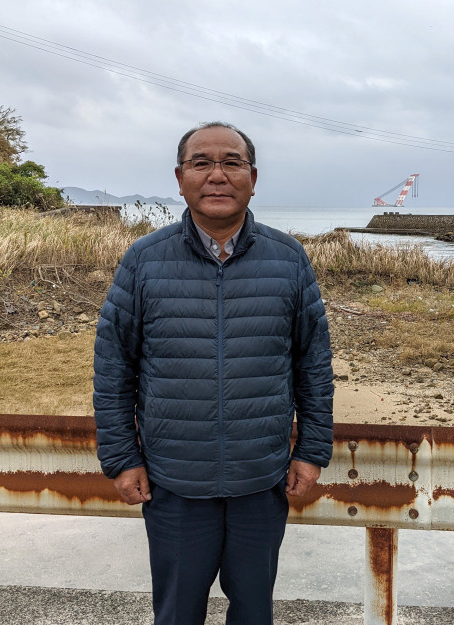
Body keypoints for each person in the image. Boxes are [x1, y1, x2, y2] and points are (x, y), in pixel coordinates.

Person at [93, 121, 334, 625]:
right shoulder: (144, 260)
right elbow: (114, 367)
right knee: (177, 614)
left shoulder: (287, 259)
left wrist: (311, 452)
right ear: (180, 178)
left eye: (232, 162)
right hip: (173, 483)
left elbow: (312, 364)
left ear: (253, 177)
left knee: (253, 613)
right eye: (202, 163)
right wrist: (120, 458)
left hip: (261, 480)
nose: (217, 175)